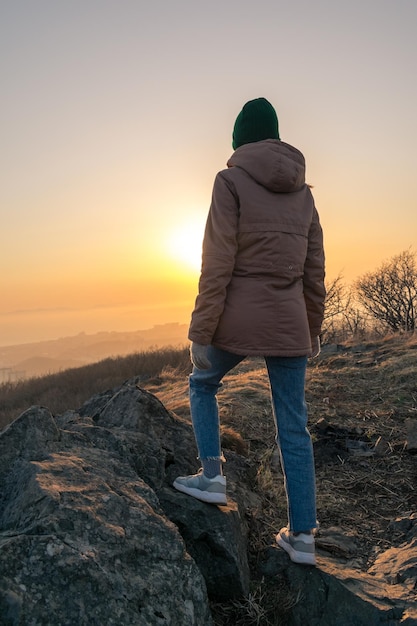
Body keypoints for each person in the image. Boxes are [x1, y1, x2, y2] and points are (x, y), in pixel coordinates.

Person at [173, 97, 325, 566]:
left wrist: (201, 332)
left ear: (240, 138)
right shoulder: (304, 193)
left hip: (236, 320)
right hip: (288, 324)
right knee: (294, 426)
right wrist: (313, 328)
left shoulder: (229, 181)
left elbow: (216, 261)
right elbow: (314, 269)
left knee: (201, 383)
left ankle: (212, 477)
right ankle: (303, 537)